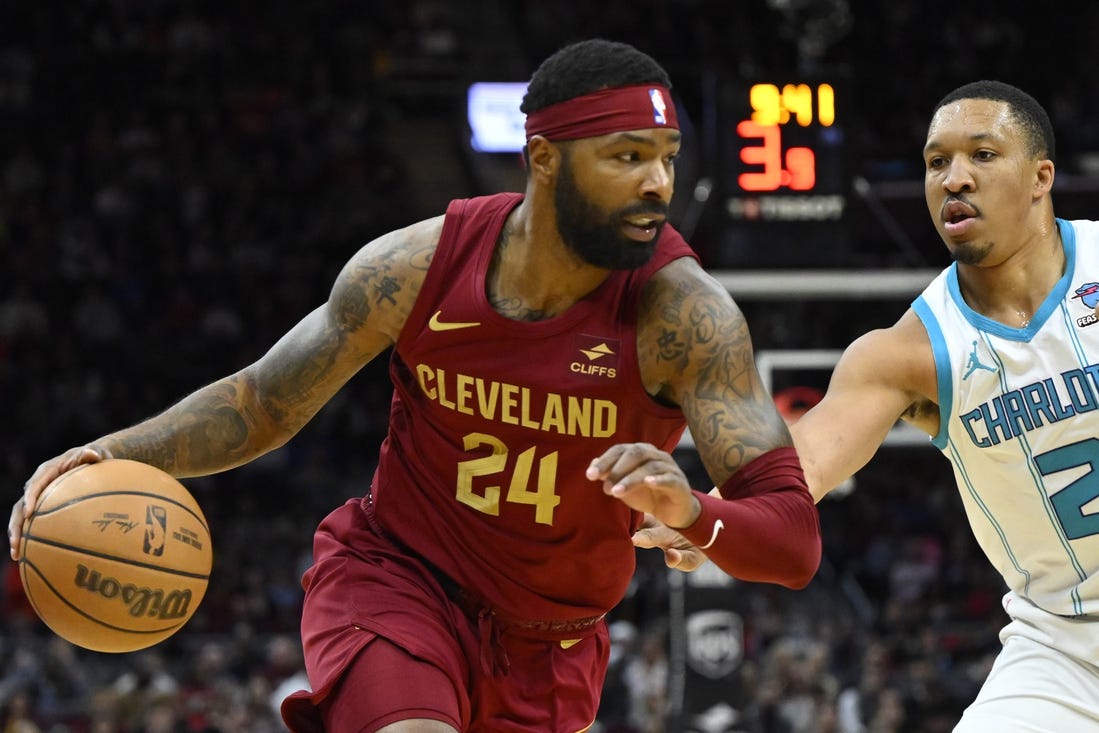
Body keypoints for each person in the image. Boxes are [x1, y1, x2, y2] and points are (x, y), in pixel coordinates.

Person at [9, 39, 821, 733]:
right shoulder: (414, 267)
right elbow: (262, 401)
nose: (657, 183)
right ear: (543, 158)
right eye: (626, 156)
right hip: (397, 578)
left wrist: (692, 511)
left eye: (666, 157)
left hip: (553, 642)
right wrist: (111, 451)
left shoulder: (685, 317)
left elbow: (792, 541)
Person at [624, 80, 1099, 731]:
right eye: (936, 162)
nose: (954, 178)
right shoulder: (905, 352)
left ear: (1040, 175)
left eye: (981, 155)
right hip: (1064, 646)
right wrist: (706, 513)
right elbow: (805, 464)